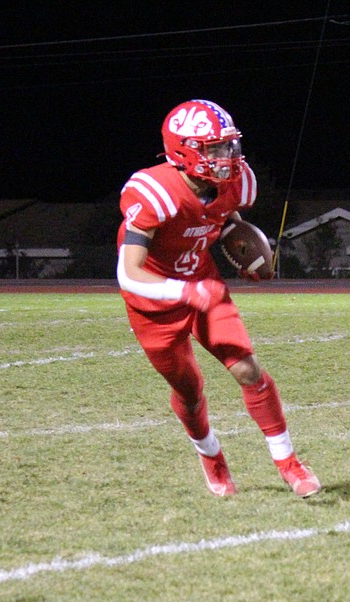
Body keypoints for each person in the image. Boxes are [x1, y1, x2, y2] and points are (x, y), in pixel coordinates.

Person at [115, 99, 320, 498]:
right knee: (190, 392)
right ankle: (211, 456)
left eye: (229, 146)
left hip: (204, 285)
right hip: (155, 303)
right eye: (214, 148)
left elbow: (224, 218)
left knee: (248, 370)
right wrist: (187, 292)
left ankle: (290, 464)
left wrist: (242, 248)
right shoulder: (155, 191)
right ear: (184, 149)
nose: (227, 157)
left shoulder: (236, 183)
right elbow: (129, 272)